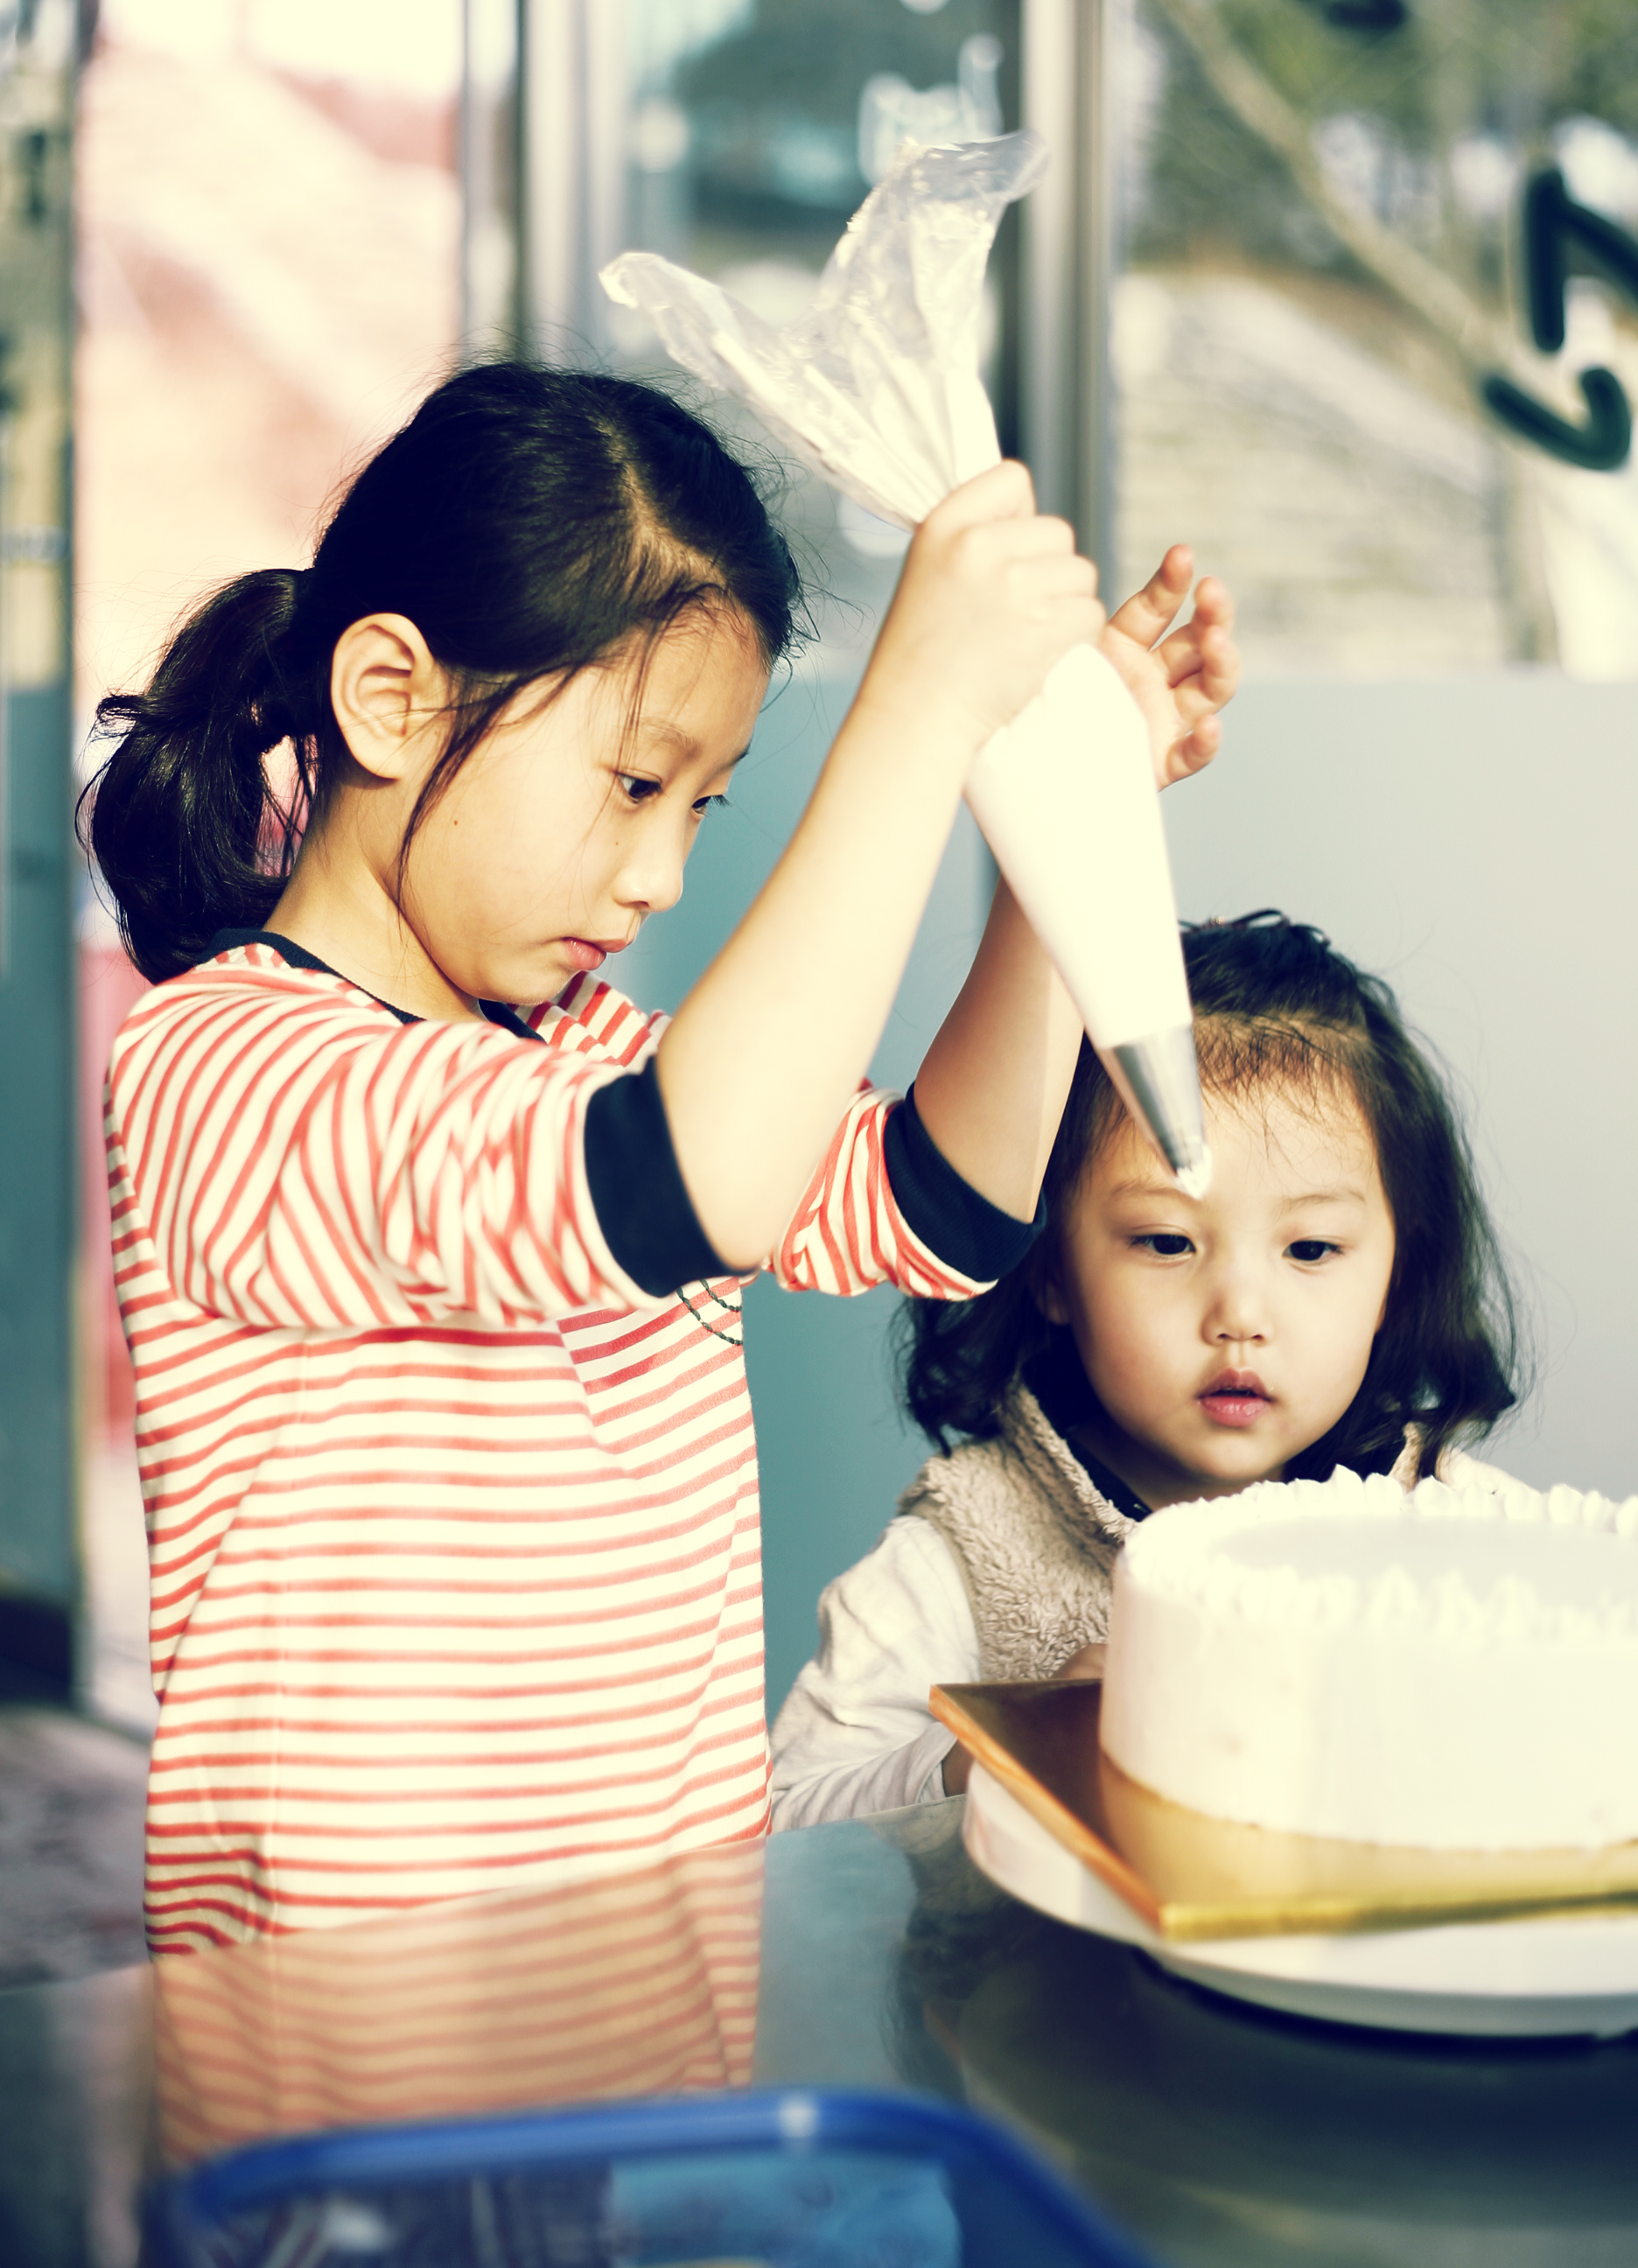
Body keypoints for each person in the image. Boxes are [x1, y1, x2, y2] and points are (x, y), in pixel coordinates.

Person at [82, 360, 1237, 1950]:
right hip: (361, 2037)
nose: (662, 874)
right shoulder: (223, 1071)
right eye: (635, 784)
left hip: (653, 1995)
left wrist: (1065, 825)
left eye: (701, 804)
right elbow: (684, 1177)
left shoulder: (595, 1049)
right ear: (390, 699)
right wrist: (915, 712)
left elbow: (942, 1203)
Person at [770, 912, 1527, 1828]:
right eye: (1167, 1241)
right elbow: (789, 1825)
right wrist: (1005, 1747)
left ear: (1396, 1279)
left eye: (1311, 1249)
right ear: (1050, 1268)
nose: (1240, 1315)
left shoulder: (1461, 1530)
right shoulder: (961, 1555)